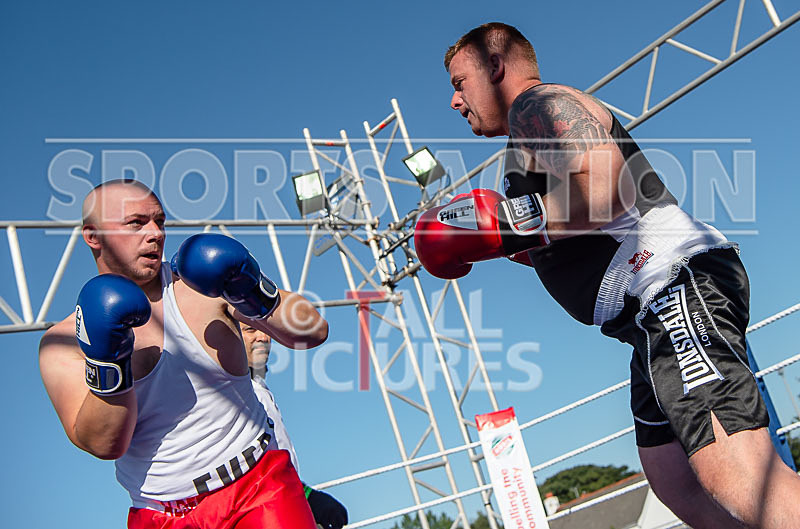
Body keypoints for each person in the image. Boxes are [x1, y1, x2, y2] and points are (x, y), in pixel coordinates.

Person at [414, 22, 800, 528]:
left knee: (741, 473)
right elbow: (582, 232)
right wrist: (504, 244)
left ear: (494, 65)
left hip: (671, 286)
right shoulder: (526, 142)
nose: (454, 101)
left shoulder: (538, 105)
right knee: (676, 482)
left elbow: (606, 192)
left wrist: (502, 227)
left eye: (458, 83)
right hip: (645, 318)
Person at [39, 179, 328, 528]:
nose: (155, 233)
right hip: (160, 515)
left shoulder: (198, 286)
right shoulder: (64, 341)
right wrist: (108, 360)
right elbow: (102, 444)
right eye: (136, 223)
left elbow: (312, 332)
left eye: (159, 222)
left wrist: (250, 289)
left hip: (257, 489)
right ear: (93, 236)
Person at [241, 324, 349, 529]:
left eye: (265, 329)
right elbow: (251, 471)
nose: (263, 337)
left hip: (282, 507)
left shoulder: (259, 387)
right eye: (250, 329)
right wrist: (307, 496)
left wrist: (306, 495)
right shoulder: (233, 394)